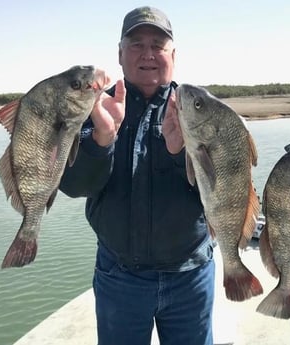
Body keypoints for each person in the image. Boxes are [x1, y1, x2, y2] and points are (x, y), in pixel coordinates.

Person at [59, 6, 215, 345]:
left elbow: (224, 195)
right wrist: (101, 141)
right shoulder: (94, 108)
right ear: (119, 53)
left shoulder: (201, 111)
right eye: (136, 44)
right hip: (120, 278)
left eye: (158, 45)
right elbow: (73, 186)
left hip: (190, 275)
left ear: (174, 54)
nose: (148, 54)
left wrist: (180, 155)